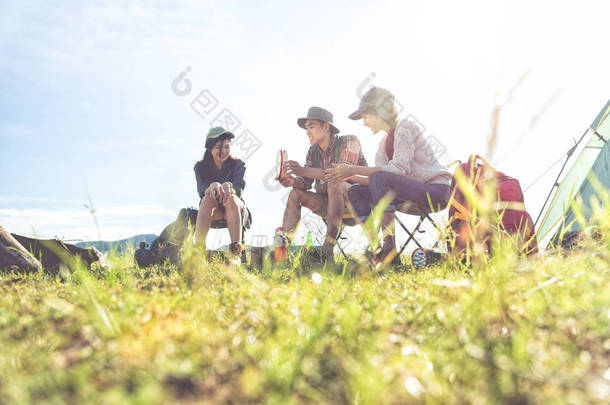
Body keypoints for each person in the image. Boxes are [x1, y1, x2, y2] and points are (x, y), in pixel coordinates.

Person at [325, 87, 452, 266]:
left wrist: (353, 169)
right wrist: (346, 177)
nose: (364, 123)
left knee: (380, 177)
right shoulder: (382, 144)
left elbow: (397, 170)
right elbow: (376, 182)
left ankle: (389, 251)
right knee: (356, 192)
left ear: (379, 111)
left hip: (435, 192)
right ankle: (377, 252)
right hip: (405, 195)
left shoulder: (406, 127)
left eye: (365, 117)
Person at [279, 106, 367, 263]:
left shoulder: (350, 141)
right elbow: (306, 183)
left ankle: (327, 248)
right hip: (329, 205)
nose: (307, 132)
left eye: (311, 126)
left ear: (326, 127)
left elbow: (339, 172)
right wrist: (294, 181)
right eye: (306, 128)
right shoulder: (312, 152)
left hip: (357, 202)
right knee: (295, 194)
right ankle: (282, 251)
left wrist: (302, 170)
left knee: (335, 182)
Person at [194, 127, 251, 261]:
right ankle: (198, 252)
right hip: (212, 211)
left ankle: (235, 254)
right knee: (207, 198)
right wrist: (212, 186)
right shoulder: (200, 167)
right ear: (210, 148)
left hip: (236, 210)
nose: (223, 151)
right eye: (218, 147)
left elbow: (239, 187)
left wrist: (228, 186)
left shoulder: (238, 164)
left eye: (227, 147)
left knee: (231, 199)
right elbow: (201, 189)